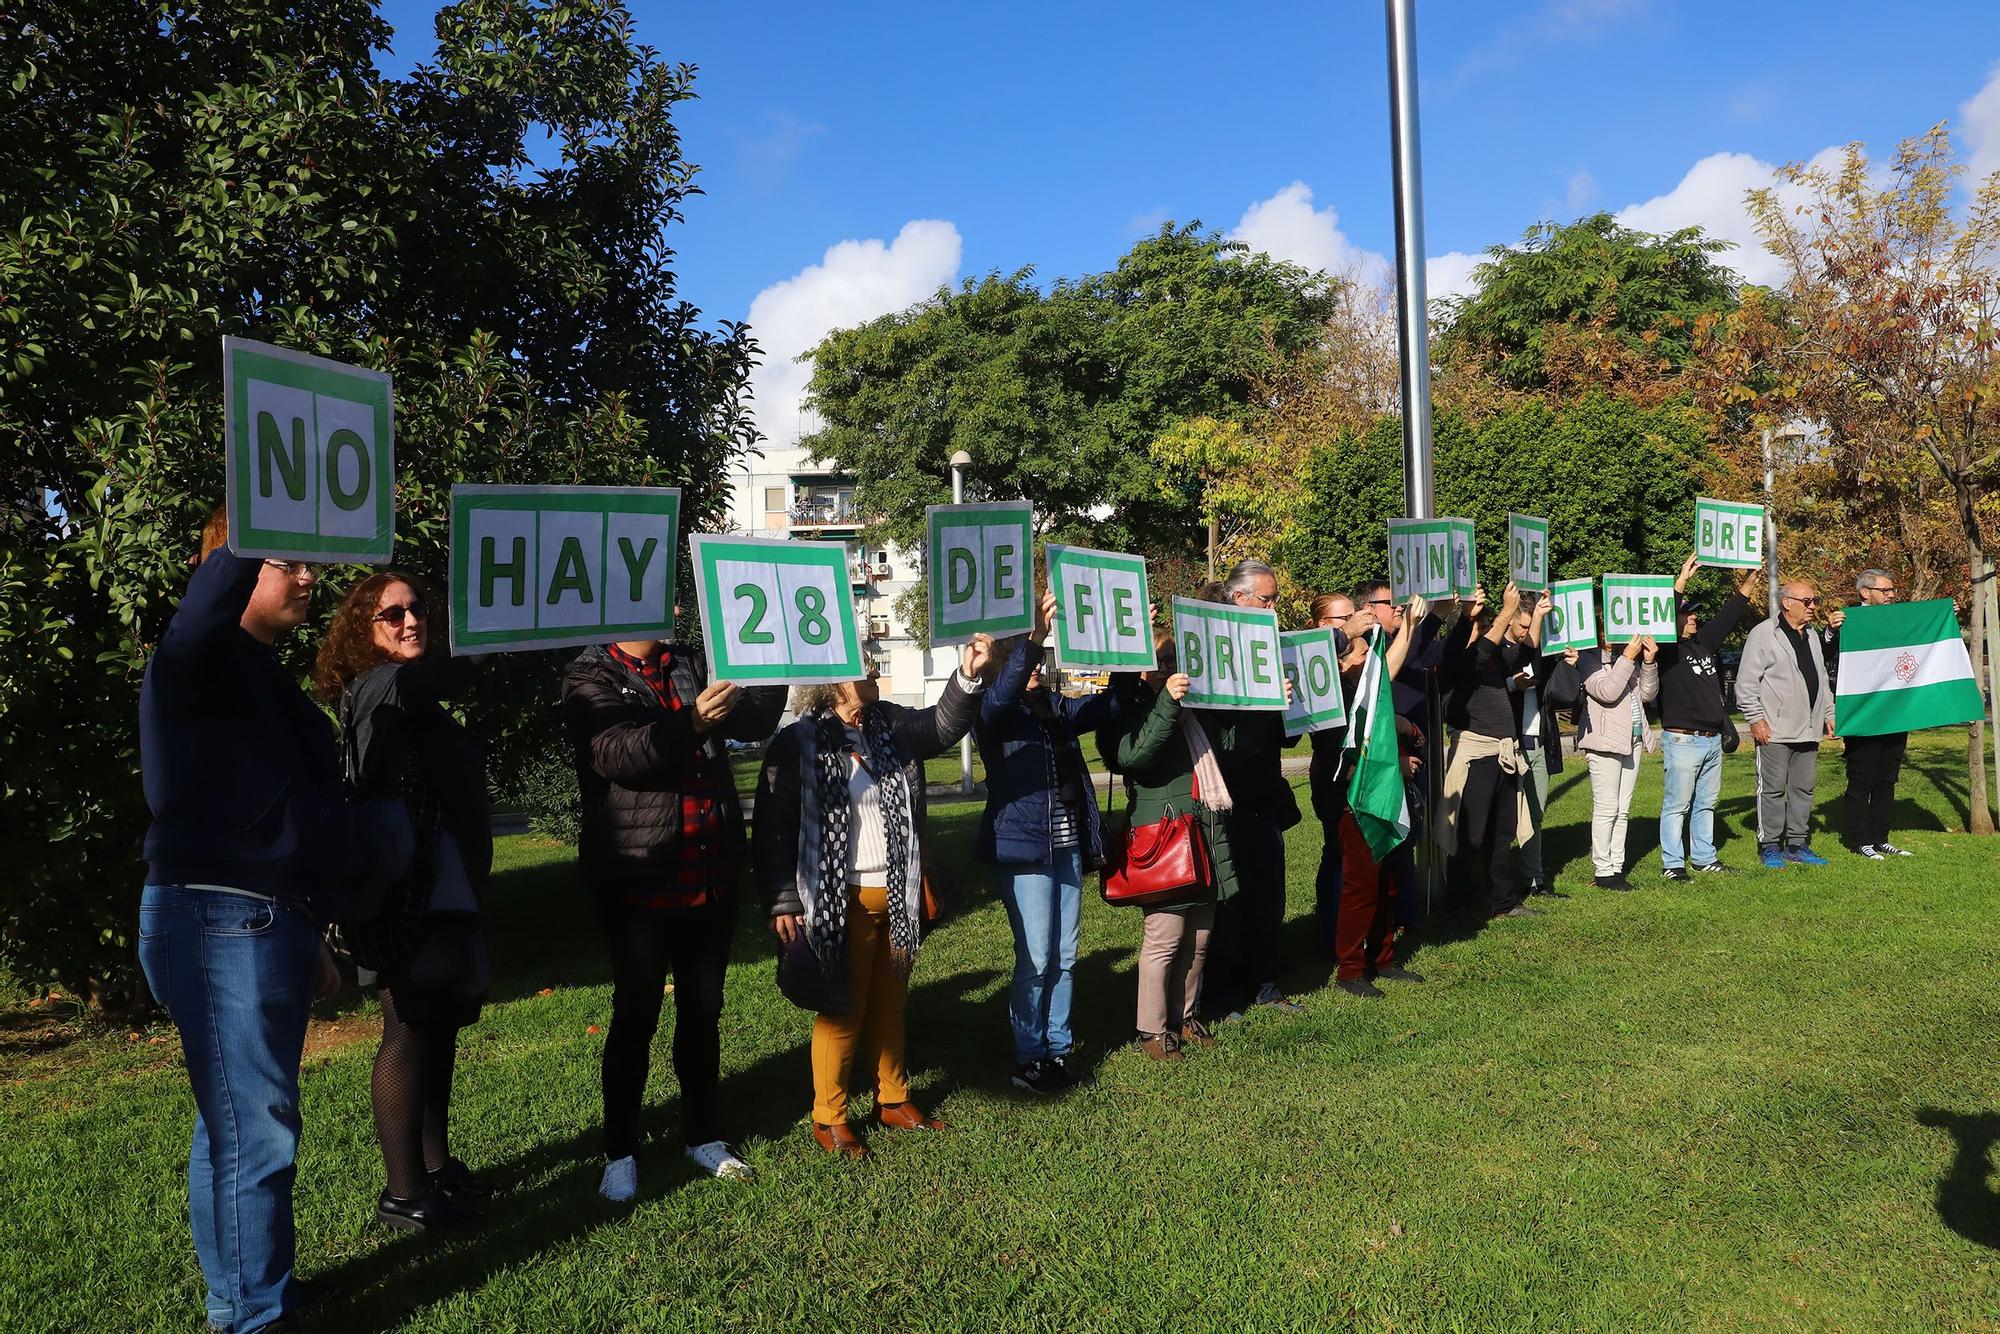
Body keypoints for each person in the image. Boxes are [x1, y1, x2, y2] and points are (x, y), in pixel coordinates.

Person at [137, 506, 403, 1334]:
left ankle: (253, 1292)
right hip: (219, 914)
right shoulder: (198, 659)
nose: (308, 578)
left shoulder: (263, 673)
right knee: (253, 1126)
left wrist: (313, 924)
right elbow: (191, 625)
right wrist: (259, 511)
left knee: (232, 1124)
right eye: (288, 561)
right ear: (236, 565)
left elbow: (301, 812)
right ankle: (254, 1314)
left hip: (264, 918)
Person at [562, 633, 787, 1199]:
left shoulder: (692, 660)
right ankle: (620, 1150)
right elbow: (617, 754)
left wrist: (776, 667)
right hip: (638, 882)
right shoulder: (589, 674)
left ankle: (703, 1136)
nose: (675, 606)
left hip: (709, 875)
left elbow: (753, 723)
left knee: (703, 1013)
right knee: (635, 1018)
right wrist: (691, 722)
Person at [755, 639, 992, 1160]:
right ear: (833, 678)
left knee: (890, 1003)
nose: (873, 671)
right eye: (863, 664)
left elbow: (941, 726)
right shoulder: (798, 742)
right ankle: (830, 1116)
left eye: (873, 662)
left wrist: (968, 675)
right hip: (839, 900)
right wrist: (782, 901)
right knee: (842, 1009)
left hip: (899, 892)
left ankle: (892, 1099)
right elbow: (773, 829)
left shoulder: (889, 725)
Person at [314, 572, 492, 1232]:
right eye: (392, 615)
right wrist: (498, 635)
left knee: (437, 1029)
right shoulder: (379, 687)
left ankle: (435, 1170)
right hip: (399, 894)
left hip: (438, 886)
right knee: (408, 1028)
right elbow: (435, 680)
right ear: (363, 632)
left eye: (418, 609)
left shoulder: (415, 696)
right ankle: (404, 1195)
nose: (411, 621)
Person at [973, 591, 1120, 1094]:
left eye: (1034, 658)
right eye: (1017, 657)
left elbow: (1105, 709)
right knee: (1034, 958)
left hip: (1067, 848)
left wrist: (1128, 653)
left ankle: (1057, 1049)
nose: (1032, 667)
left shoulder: (1054, 707)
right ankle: (1029, 1054)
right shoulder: (993, 710)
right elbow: (1007, 686)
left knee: (1065, 954)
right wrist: (1032, 639)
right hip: (1024, 850)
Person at [1097, 628, 1231, 1058]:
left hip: (1206, 830)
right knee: (1166, 939)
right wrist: (1167, 703)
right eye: (1160, 661)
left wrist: (1257, 708)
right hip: (1168, 838)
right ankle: (1153, 1032)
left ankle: (1185, 1017)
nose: (1169, 668)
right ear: (1141, 667)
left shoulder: (1197, 705)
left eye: (1175, 660)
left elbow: (1232, 749)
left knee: (1200, 938)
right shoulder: (1126, 707)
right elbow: (1134, 757)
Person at [1200, 559, 1304, 1019]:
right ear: (1238, 599)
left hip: (1264, 799)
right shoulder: (1207, 649)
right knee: (1227, 902)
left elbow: (1288, 738)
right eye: (1267, 599)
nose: (1273, 607)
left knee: (1268, 898)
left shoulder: (1269, 653)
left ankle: (1265, 982)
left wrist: (1284, 703)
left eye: (1275, 599)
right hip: (1222, 800)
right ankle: (1222, 993)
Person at [1328, 597, 1428, 998]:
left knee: (1385, 881)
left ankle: (1383, 958)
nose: (1369, 654)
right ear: (1339, 661)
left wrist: (1409, 629)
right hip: (1353, 794)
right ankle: (1350, 969)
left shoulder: (1368, 686)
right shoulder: (1334, 690)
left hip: (1380, 791)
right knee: (1360, 885)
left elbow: (1386, 669)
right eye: (1361, 649)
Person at [1437, 583, 1544, 921]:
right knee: (1469, 834)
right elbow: (1480, 653)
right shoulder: (1457, 658)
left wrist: (1537, 615)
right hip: (1476, 754)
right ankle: (1461, 904)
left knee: (1502, 831)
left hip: (1502, 755)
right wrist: (1505, 613)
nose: (1487, 633)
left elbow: (1525, 656)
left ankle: (1501, 900)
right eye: (1478, 627)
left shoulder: (1492, 657)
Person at [1656, 554, 1761, 879]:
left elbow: (1727, 617)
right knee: (1678, 805)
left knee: (1705, 803)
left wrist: (1746, 586)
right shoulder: (1666, 650)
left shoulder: (1703, 643)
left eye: (1694, 615)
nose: (1693, 619)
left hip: (1712, 739)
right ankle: (1672, 864)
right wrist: (1681, 581)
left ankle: (1703, 857)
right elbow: (1663, 615)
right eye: (1687, 614)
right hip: (1683, 738)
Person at [1737, 580, 1838, 868]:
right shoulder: (1763, 635)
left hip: (1808, 729)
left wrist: (1829, 713)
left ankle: (1797, 844)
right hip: (1775, 730)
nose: (1813, 606)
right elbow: (1745, 684)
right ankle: (1769, 845)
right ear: (1787, 602)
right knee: (1771, 789)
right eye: (1807, 601)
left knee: (1804, 789)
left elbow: (1821, 679)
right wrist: (1756, 719)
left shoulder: (1813, 637)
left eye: (1814, 600)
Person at [1833, 569, 1913, 859]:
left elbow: (1924, 628)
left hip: (1894, 714)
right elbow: (1826, 651)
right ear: (1865, 593)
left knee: (1886, 780)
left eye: (1893, 590)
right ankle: (1859, 839)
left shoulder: (1899, 618)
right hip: (1864, 716)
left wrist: (1946, 612)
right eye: (1886, 590)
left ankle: (1881, 837)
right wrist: (1831, 631)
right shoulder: (1848, 621)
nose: (1891, 595)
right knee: (1861, 780)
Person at [1505, 591, 1578, 897]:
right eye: (1522, 626)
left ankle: (1533, 880)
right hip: (1511, 746)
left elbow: (1565, 695)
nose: (1526, 633)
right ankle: (1497, 882)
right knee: (1505, 818)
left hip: (1539, 744)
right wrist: (1512, 684)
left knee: (1535, 814)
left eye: (1530, 626)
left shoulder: (1543, 655)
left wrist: (1569, 665)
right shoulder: (1499, 649)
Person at [1575, 633, 1660, 890]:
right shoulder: (1589, 658)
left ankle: (1616, 867)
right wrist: (1627, 658)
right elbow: (1607, 691)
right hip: (1604, 742)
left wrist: (1648, 662)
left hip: (1632, 740)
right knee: (1606, 807)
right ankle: (1603, 870)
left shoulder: (1625, 657)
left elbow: (1647, 694)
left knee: (1623, 809)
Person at [1304, 593, 1359, 956]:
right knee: (1337, 856)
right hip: (1333, 775)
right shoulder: (1318, 664)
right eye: (1345, 618)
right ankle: (1333, 933)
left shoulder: (1352, 660)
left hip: (1351, 772)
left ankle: (1348, 930)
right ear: (1324, 626)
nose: (1354, 623)